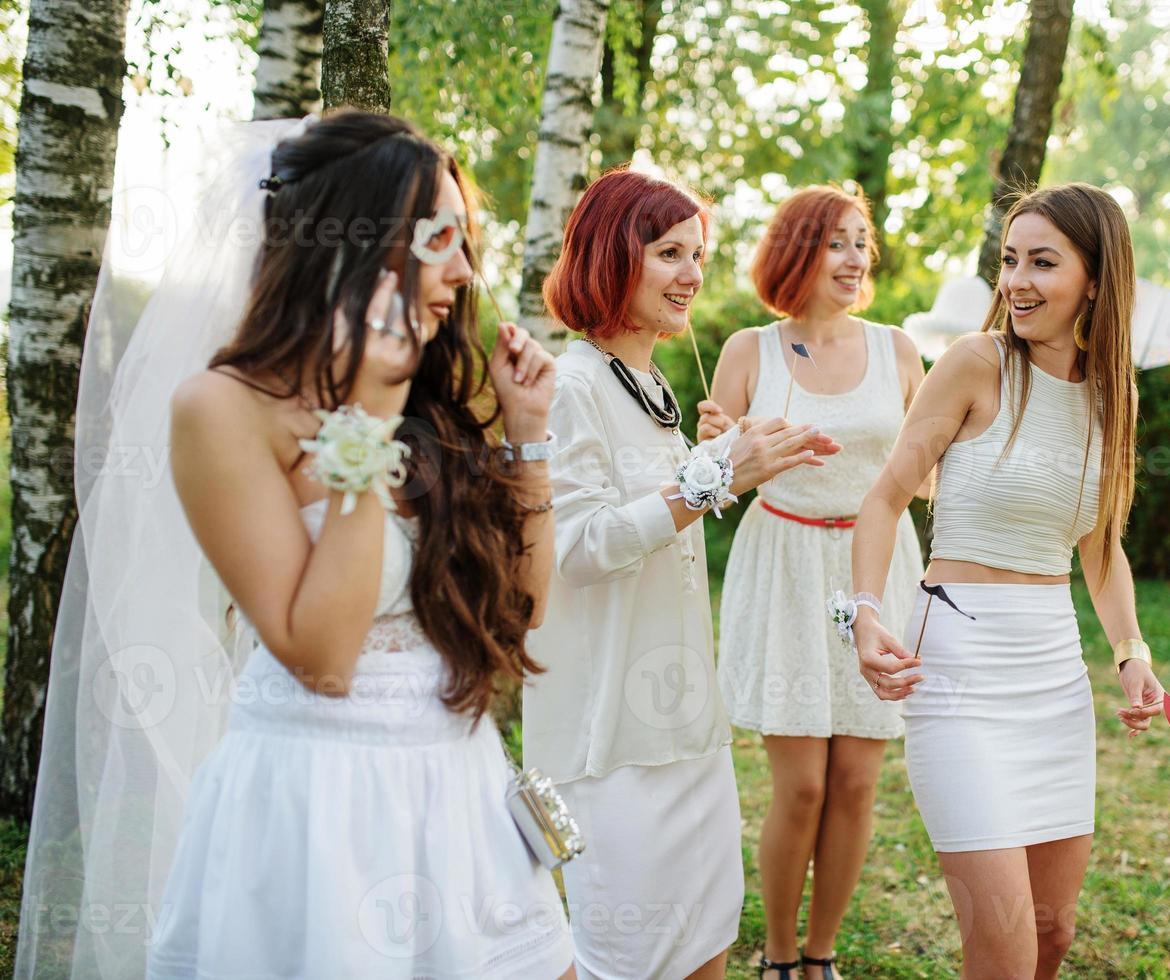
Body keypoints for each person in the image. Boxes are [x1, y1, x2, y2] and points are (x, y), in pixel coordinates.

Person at [16, 110, 576, 980]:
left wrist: (529, 440)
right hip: (320, 803)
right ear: (354, 240)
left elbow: (527, 619)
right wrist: (367, 419)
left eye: (467, 244)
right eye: (441, 240)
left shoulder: (436, 403)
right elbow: (321, 657)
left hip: (457, 788)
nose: (464, 272)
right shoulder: (222, 409)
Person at [522, 167, 840, 980]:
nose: (693, 275)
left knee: (705, 945)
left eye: (697, 254)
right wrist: (714, 477)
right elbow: (581, 547)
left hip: (684, 725)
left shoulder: (654, 385)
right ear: (608, 255)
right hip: (611, 738)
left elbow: (657, 520)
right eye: (669, 253)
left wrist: (736, 456)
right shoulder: (571, 384)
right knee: (630, 957)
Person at [849, 182, 1170, 980]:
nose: (1016, 281)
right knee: (1004, 945)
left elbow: (1100, 546)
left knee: (1054, 937)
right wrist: (860, 613)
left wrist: (1131, 652)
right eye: (1009, 260)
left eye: (1043, 263)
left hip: (1053, 676)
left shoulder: (1114, 392)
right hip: (959, 668)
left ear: (1095, 279)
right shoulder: (973, 363)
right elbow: (886, 498)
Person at [695, 186, 924, 980]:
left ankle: (821, 956)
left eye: (863, 242)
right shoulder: (746, 351)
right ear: (796, 252)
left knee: (857, 782)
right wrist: (726, 450)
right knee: (800, 787)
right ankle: (778, 954)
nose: (857, 258)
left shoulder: (898, 350)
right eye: (837, 242)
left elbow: (925, 478)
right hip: (784, 565)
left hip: (879, 568)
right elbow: (705, 485)